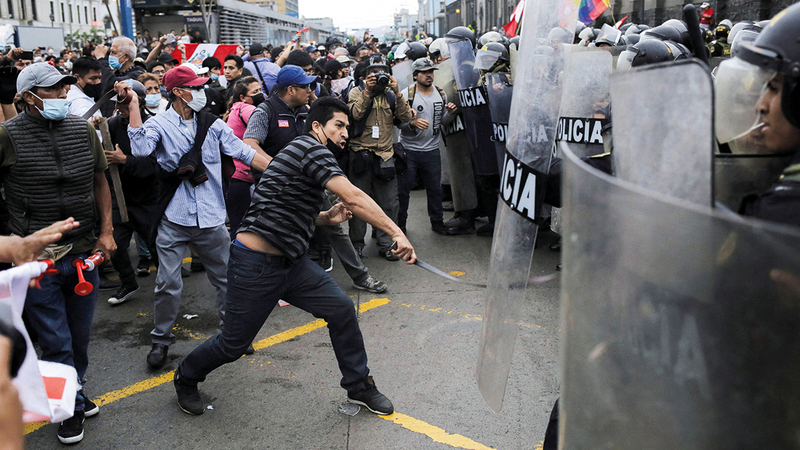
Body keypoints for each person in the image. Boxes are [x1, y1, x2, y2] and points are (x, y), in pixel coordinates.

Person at [172, 96, 416, 417]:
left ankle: (359, 386)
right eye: (338, 126)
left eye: (347, 127)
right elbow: (353, 196)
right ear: (317, 127)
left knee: (342, 309)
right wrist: (396, 232)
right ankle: (186, 376)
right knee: (232, 345)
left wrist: (327, 217)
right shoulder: (309, 147)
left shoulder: (302, 154)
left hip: (293, 264)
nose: (344, 133)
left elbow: (286, 206)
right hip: (255, 265)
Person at [119, 65, 270, 369]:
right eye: (195, 87)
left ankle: (234, 334)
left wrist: (284, 171)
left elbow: (244, 152)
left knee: (227, 279)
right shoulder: (160, 123)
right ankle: (161, 340)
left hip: (212, 218)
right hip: (174, 219)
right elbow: (140, 147)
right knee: (167, 283)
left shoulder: (213, 124)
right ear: (178, 92)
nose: (202, 91)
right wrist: (134, 106)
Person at [0, 63, 115, 444]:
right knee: (55, 338)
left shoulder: (83, 129)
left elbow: (101, 181)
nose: (63, 95)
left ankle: (74, 389)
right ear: (29, 97)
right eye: (53, 90)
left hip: (84, 253)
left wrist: (108, 231)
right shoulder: (7, 136)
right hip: (38, 260)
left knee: (80, 337)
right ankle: (69, 408)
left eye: (65, 87)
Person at [347, 54, 413, 260]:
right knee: (358, 205)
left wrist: (397, 92)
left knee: (389, 204)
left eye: (382, 73)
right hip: (361, 154)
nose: (378, 77)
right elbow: (355, 115)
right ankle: (357, 245)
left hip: (385, 155)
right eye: (374, 74)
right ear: (366, 77)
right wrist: (367, 91)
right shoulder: (355, 92)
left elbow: (406, 118)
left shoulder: (391, 96)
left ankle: (386, 245)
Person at [104, 80, 161, 305]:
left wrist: (125, 160)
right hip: (120, 197)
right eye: (119, 105)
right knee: (115, 244)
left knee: (157, 245)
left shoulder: (154, 125)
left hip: (148, 198)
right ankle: (128, 282)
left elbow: (155, 166)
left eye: (126, 104)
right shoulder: (112, 124)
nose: (122, 109)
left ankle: (166, 284)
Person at [397, 57, 458, 235]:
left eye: (431, 72)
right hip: (409, 150)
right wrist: (412, 123)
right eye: (424, 72)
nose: (429, 75)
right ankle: (400, 225)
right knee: (403, 191)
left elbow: (442, 122)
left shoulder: (440, 94)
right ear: (415, 75)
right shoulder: (406, 95)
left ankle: (437, 222)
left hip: (431, 151)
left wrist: (451, 113)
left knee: (435, 189)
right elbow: (397, 123)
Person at [225, 75, 262, 236]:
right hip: (243, 175)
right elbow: (262, 124)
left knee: (237, 224)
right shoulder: (248, 109)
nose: (260, 94)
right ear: (243, 97)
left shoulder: (235, 108)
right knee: (244, 227)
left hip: (234, 175)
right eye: (255, 91)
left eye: (260, 90)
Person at [96, 37, 146, 117]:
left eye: (113, 52)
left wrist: (101, 59)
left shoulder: (138, 74)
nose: (110, 56)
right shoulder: (115, 73)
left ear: (126, 57)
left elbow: (111, 84)